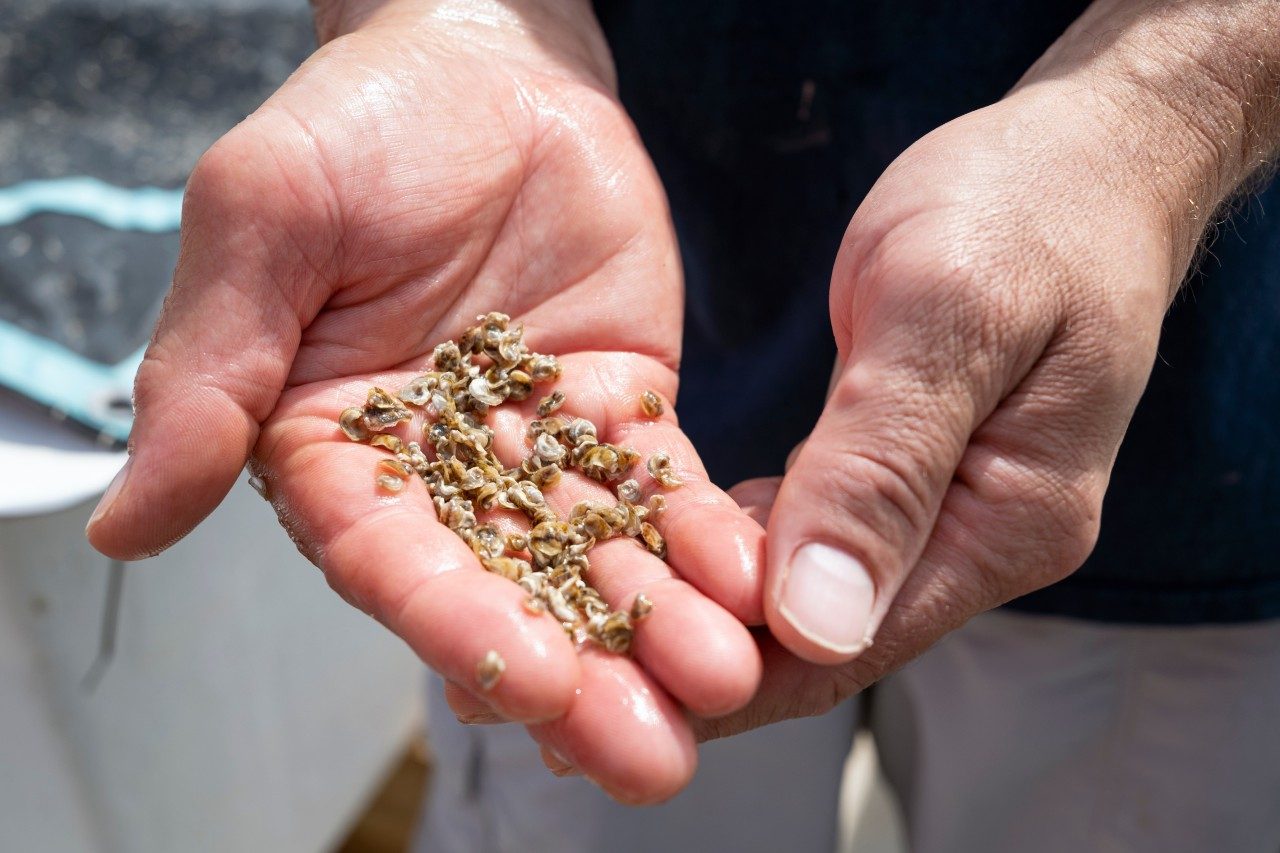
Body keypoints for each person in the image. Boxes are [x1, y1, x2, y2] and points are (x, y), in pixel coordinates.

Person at [86, 0, 1280, 848]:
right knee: (595, 736)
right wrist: (445, 15)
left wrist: (1167, 112)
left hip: (1176, 399)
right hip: (585, 274)